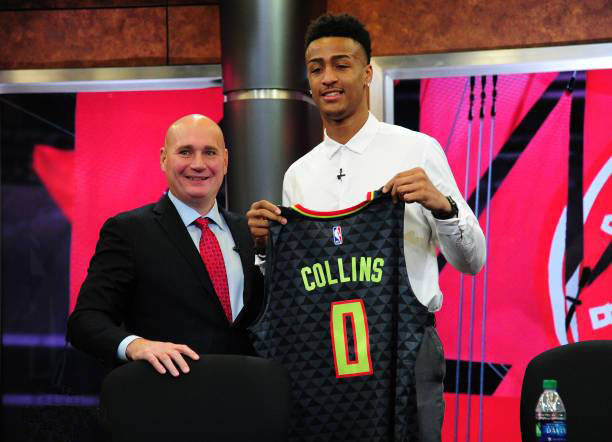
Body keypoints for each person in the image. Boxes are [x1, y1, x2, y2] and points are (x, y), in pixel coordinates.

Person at [246, 14, 486, 441]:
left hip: (406, 344)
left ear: (368, 73)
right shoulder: (298, 175)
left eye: (341, 64)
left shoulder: (417, 150)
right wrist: (265, 249)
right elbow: (294, 283)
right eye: (316, 68)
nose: (328, 78)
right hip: (321, 355)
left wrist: (442, 205)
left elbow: (473, 261)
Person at [68, 114, 262, 377]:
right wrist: (136, 345)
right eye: (185, 152)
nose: (198, 164)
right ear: (163, 159)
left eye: (209, 152)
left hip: (245, 391)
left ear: (225, 161)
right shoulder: (128, 231)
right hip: (169, 392)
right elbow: (85, 321)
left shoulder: (250, 233)